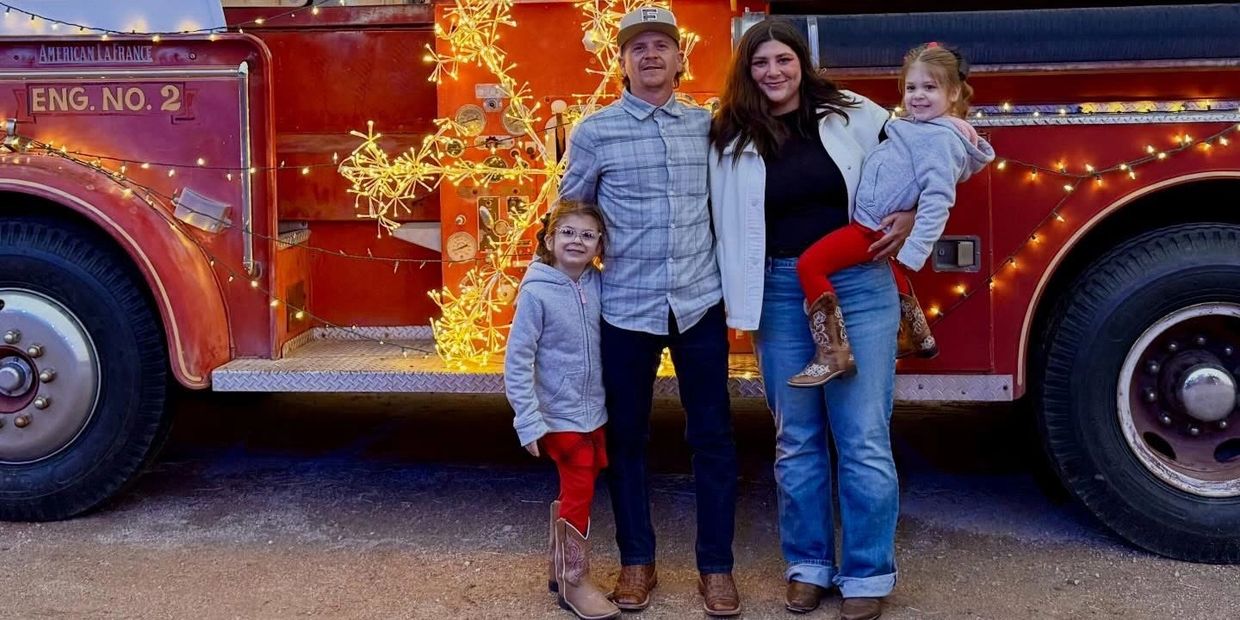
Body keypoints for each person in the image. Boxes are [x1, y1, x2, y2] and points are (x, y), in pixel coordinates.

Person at [708, 18, 915, 620]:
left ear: (802, 62)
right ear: (747, 72)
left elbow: (927, 149)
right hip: (777, 290)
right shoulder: (728, 134)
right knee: (795, 438)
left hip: (858, 287)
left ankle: (868, 574)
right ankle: (807, 567)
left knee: (863, 436)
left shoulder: (857, 113)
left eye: (783, 60)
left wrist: (909, 212)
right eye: (760, 63)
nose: (773, 72)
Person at [558, 6, 741, 617]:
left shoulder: (709, 126)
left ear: (680, 57)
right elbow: (572, 216)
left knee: (712, 437)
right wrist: (561, 293)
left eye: (662, 44)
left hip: (699, 303)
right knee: (626, 439)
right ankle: (637, 561)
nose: (651, 55)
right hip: (626, 309)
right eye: (639, 47)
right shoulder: (595, 132)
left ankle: (716, 568)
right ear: (623, 61)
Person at [787, 42, 994, 387]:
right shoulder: (923, 127)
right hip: (873, 220)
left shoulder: (939, 140)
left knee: (809, 265)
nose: (918, 96)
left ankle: (833, 352)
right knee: (887, 267)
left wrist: (915, 249)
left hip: (870, 227)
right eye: (911, 88)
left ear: (954, 91)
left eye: (930, 87)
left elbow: (938, 199)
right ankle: (917, 333)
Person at [503, 201, 619, 620]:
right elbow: (518, 359)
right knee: (580, 488)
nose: (577, 241)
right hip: (559, 414)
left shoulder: (598, 283)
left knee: (582, 483)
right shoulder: (536, 292)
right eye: (568, 232)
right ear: (550, 240)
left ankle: (559, 565)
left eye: (588, 235)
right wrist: (528, 419)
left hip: (593, 412)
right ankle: (574, 580)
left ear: (599, 245)